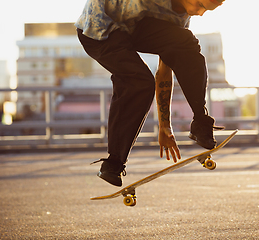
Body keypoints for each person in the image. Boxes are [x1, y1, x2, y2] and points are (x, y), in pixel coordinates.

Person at [76, 0, 225, 187]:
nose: (200, 13)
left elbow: (164, 72)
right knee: (138, 82)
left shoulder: (179, 18)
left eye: (207, 10)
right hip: (99, 27)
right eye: (200, 5)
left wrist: (165, 126)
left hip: (133, 28)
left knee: (185, 41)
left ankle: (200, 122)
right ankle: (113, 162)